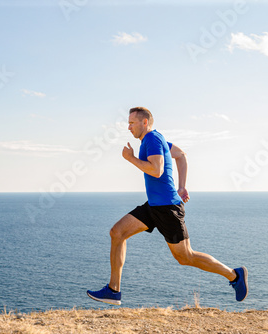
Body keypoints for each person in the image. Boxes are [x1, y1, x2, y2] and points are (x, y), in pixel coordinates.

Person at [87, 107, 248, 306]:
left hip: (167, 209)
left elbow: (156, 170)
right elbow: (180, 154)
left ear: (144, 122)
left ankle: (234, 275)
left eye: (132, 123)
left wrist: (131, 159)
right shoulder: (156, 139)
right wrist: (182, 186)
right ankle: (113, 291)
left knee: (185, 257)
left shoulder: (152, 139)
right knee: (117, 232)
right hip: (154, 206)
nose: (128, 127)